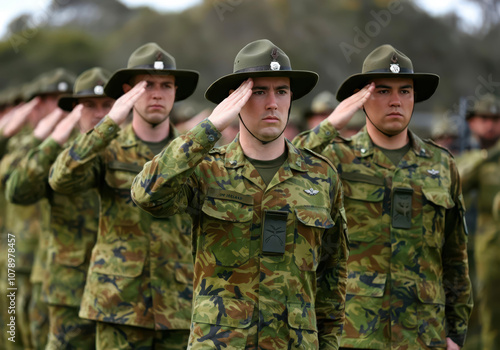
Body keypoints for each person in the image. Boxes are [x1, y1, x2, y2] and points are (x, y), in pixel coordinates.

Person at [131, 39, 348, 349]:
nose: (272, 103)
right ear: (235, 99)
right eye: (259, 92)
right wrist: (210, 128)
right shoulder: (207, 169)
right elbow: (146, 194)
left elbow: (333, 275)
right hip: (220, 342)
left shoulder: (321, 175)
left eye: (281, 91)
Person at [294, 44, 472, 350]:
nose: (395, 101)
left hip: (423, 334)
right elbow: (290, 165)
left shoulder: (441, 164)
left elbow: (455, 257)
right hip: (352, 333)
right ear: (361, 100)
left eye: (405, 91)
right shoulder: (336, 157)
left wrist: (455, 334)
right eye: (382, 91)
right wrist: (331, 125)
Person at [48, 42, 198, 349]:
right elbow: (61, 179)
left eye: (166, 85)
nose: (157, 93)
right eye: (148, 85)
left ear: (175, 91)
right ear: (129, 92)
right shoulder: (107, 148)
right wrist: (109, 124)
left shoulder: (191, 153)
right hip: (118, 303)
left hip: (179, 306)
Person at [5, 67, 115, 349]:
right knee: (20, 337)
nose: (100, 113)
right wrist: (50, 139)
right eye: (89, 105)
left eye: (108, 105)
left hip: (118, 287)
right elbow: (16, 188)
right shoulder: (60, 154)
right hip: (63, 280)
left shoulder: (130, 151)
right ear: (76, 110)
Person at [0, 68, 75, 350]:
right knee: (13, 327)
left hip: (53, 257)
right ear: (38, 104)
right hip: (15, 247)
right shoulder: (23, 143)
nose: (62, 107)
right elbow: (10, 176)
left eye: (66, 100)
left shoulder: (77, 144)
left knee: (41, 331)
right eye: (54, 100)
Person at [457, 93, 500, 350]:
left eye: (496, 119)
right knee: (489, 314)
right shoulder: (473, 160)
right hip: (488, 252)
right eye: (484, 118)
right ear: (472, 123)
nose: (490, 125)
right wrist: (485, 158)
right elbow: (454, 185)